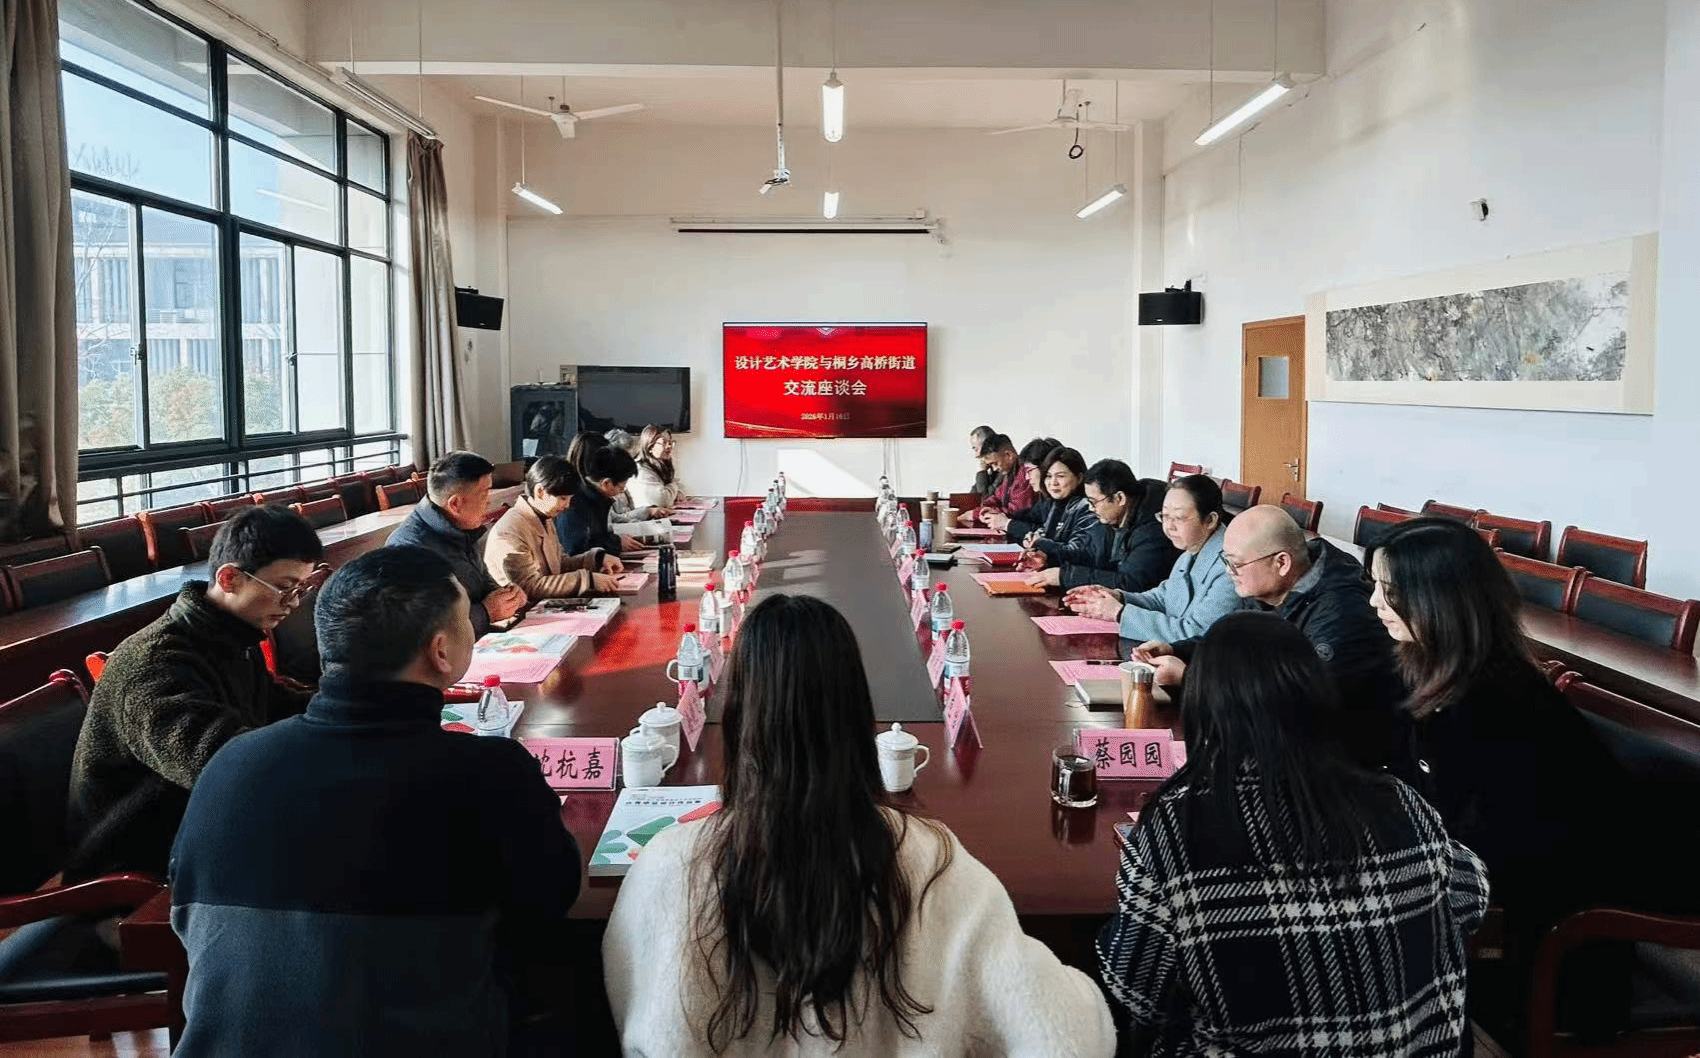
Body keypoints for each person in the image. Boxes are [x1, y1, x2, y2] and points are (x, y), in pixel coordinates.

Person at [604, 594, 1115, 1057]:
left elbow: (635, 1013)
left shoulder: (671, 864)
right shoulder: (932, 862)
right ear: (858, 716)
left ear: (739, 720)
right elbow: (1067, 1039)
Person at [169, 546, 581, 1056]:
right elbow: (548, 905)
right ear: (441, 651)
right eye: (465, 622)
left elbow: (188, 911)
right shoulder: (489, 773)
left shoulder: (231, 764)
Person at [1097, 611, 1488, 1057]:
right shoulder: (1401, 800)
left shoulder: (1177, 825)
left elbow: (1136, 991)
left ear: (1203, 703)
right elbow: (1472, 898)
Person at [1366, 517, 1661, 1038]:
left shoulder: (1501, 701)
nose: (1374, 603)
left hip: (1555, 943)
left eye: (1389, 591)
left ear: (1441, 600)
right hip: (1494, 896)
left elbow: (1506, 850)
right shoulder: (1432, 667)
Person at [64, 506, 324, 883]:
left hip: (201, 828)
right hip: (136, 870)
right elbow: (223, 766)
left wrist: (353, 709)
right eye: (284, 588)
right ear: (230, 578)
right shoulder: (155, 663)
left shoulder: (231, 634)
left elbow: (274, 706)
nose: (294, 603)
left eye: (301, 589)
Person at [1065, 473, 1239, 640]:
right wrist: (1118, 597)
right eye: (1165, 516)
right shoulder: (1192, 550)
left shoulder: (1231, 567)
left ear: (1210, 520)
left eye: (1179, 518)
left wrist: (1119, 613)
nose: (1169, 527)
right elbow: (1164, 599)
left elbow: (1196, 634)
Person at [386, 450, 524, 637]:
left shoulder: (460, 527)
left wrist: (506, 596)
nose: (489, 501)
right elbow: (427, 629)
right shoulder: (408, 548)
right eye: (484, 493)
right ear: (455, 504)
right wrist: (486, 613)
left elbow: (481, 581)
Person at [1022, 458, 1176, 592]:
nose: (1090, 508)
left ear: (1120, 498)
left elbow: (1131, 583)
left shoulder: (1152, 531)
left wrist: (1065, 576)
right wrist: (1049, 559)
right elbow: (1091, 556)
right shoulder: (1114, 517)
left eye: (1093, 502)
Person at [484, 455, 623, 598]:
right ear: (540, 491)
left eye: (570, 499)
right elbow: (529, 587)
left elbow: (559, 564)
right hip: (523, 609)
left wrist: (597, 559)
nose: (567, 505)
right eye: (563, 498)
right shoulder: (511, 530)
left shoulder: (543, 517)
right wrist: (588, 581)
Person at [558, 445, 639, 558]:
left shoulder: (597, 497)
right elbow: (576, 549)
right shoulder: (575, 502)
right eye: (621, 487)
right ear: (606, 483)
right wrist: (615, 543)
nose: (622, 491)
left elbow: (597, 537)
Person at [978, 436, 1059, 540]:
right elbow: (1039, 530)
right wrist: (990, 512)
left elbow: (1018, 513)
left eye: (1061, 475)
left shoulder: (1072, 505)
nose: (1027, 477)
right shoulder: (1009, 475)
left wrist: (1006, 523)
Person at [957, 433, 1034, 528]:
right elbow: (994, 498)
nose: (994, 469)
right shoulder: (1010, 473)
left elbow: (1015, 513)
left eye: (995, 463)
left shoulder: (1024, 474)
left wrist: (979, 513)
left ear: (1008, 455)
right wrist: (982, 511)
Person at [628, 424, 688, 511]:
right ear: (650, 447)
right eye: (664, 443)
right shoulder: (641, 469)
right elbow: (661, 501)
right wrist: (674, 486)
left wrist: (676, 490)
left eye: (670, 442)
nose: (669, 446)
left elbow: (681, 487)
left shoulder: (661, 464)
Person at [968, 424, 997, 496]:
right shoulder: (991, 470)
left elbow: (983, 497)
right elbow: (972, 496)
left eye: (976, 449)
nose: (976, 455)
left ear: (987, 445)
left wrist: (981, 471)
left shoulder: (1003, 468)